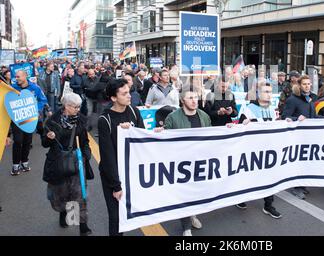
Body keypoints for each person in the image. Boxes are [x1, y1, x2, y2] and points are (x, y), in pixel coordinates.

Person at [156, 89, 212, 236]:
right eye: (190, 98)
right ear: (182, 101)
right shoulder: (173, 117)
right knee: (184, 194)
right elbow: (166, 138)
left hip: (200, 161)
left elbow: (212, 136)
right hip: (181, 164)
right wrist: (160, 133)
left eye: (196, 98)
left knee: (196, 193)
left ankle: (192, 214)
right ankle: (186, 226)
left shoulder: (204, 116)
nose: (194, 101)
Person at [98, 78, 145, 236]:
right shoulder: (105, 120)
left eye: (129, 92)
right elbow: (107, 156)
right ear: (113, 98)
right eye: (124, 93)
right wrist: (116, 185)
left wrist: (155, 134)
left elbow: (143, 139)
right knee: (116, 217)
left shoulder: (134, 111)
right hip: (113, 176)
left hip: (131, 172)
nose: (129, 96)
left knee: (130, 214)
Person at [41, 93, 93, 236]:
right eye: (75, 107)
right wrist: (48, 137)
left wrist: (86, 155)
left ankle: (83, 227)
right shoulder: (53, 121)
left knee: (79, 195)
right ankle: (63, 213)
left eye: (79, 106)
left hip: (76, 163)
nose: (78, 109)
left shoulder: (81, 121)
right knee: (60, 195)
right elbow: (44, 144)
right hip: (58, 163)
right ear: (66, 106)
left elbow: (85, 142)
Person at [236, 83, 283, 219]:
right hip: (253, 150)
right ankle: (240, 197)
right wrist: (243, 124)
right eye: (266, 91)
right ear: (258, 94)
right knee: (249, 175)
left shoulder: (272, 108)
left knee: (270, 176)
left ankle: (268, 205)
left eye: (270, 91)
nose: (269, 94)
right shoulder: (249, 109)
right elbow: (240, 128)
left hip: (269, 148)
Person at [281, 75, 324, 199]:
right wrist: (296, 119)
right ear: (299, 85)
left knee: (306, 162)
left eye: (309, 84)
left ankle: (301, 184)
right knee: (298, 161)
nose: (307, 86)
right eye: (304, 84)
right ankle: (296, 187)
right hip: (297, 137)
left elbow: (312, 118)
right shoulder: (293, 99)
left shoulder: (310, 99)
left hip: (308, 136)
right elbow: (284, 117)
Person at [7, 70, 49, 176]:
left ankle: (24, 162)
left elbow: (43, 100)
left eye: (19, 77)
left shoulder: (35, 88)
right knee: (17, 140)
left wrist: (36, 109)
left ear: (25, 76)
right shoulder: (12, 88)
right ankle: (15, 164)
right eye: (15, 77)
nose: (17, 79)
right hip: (17, 119)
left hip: (30, 119)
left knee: (27, 141)